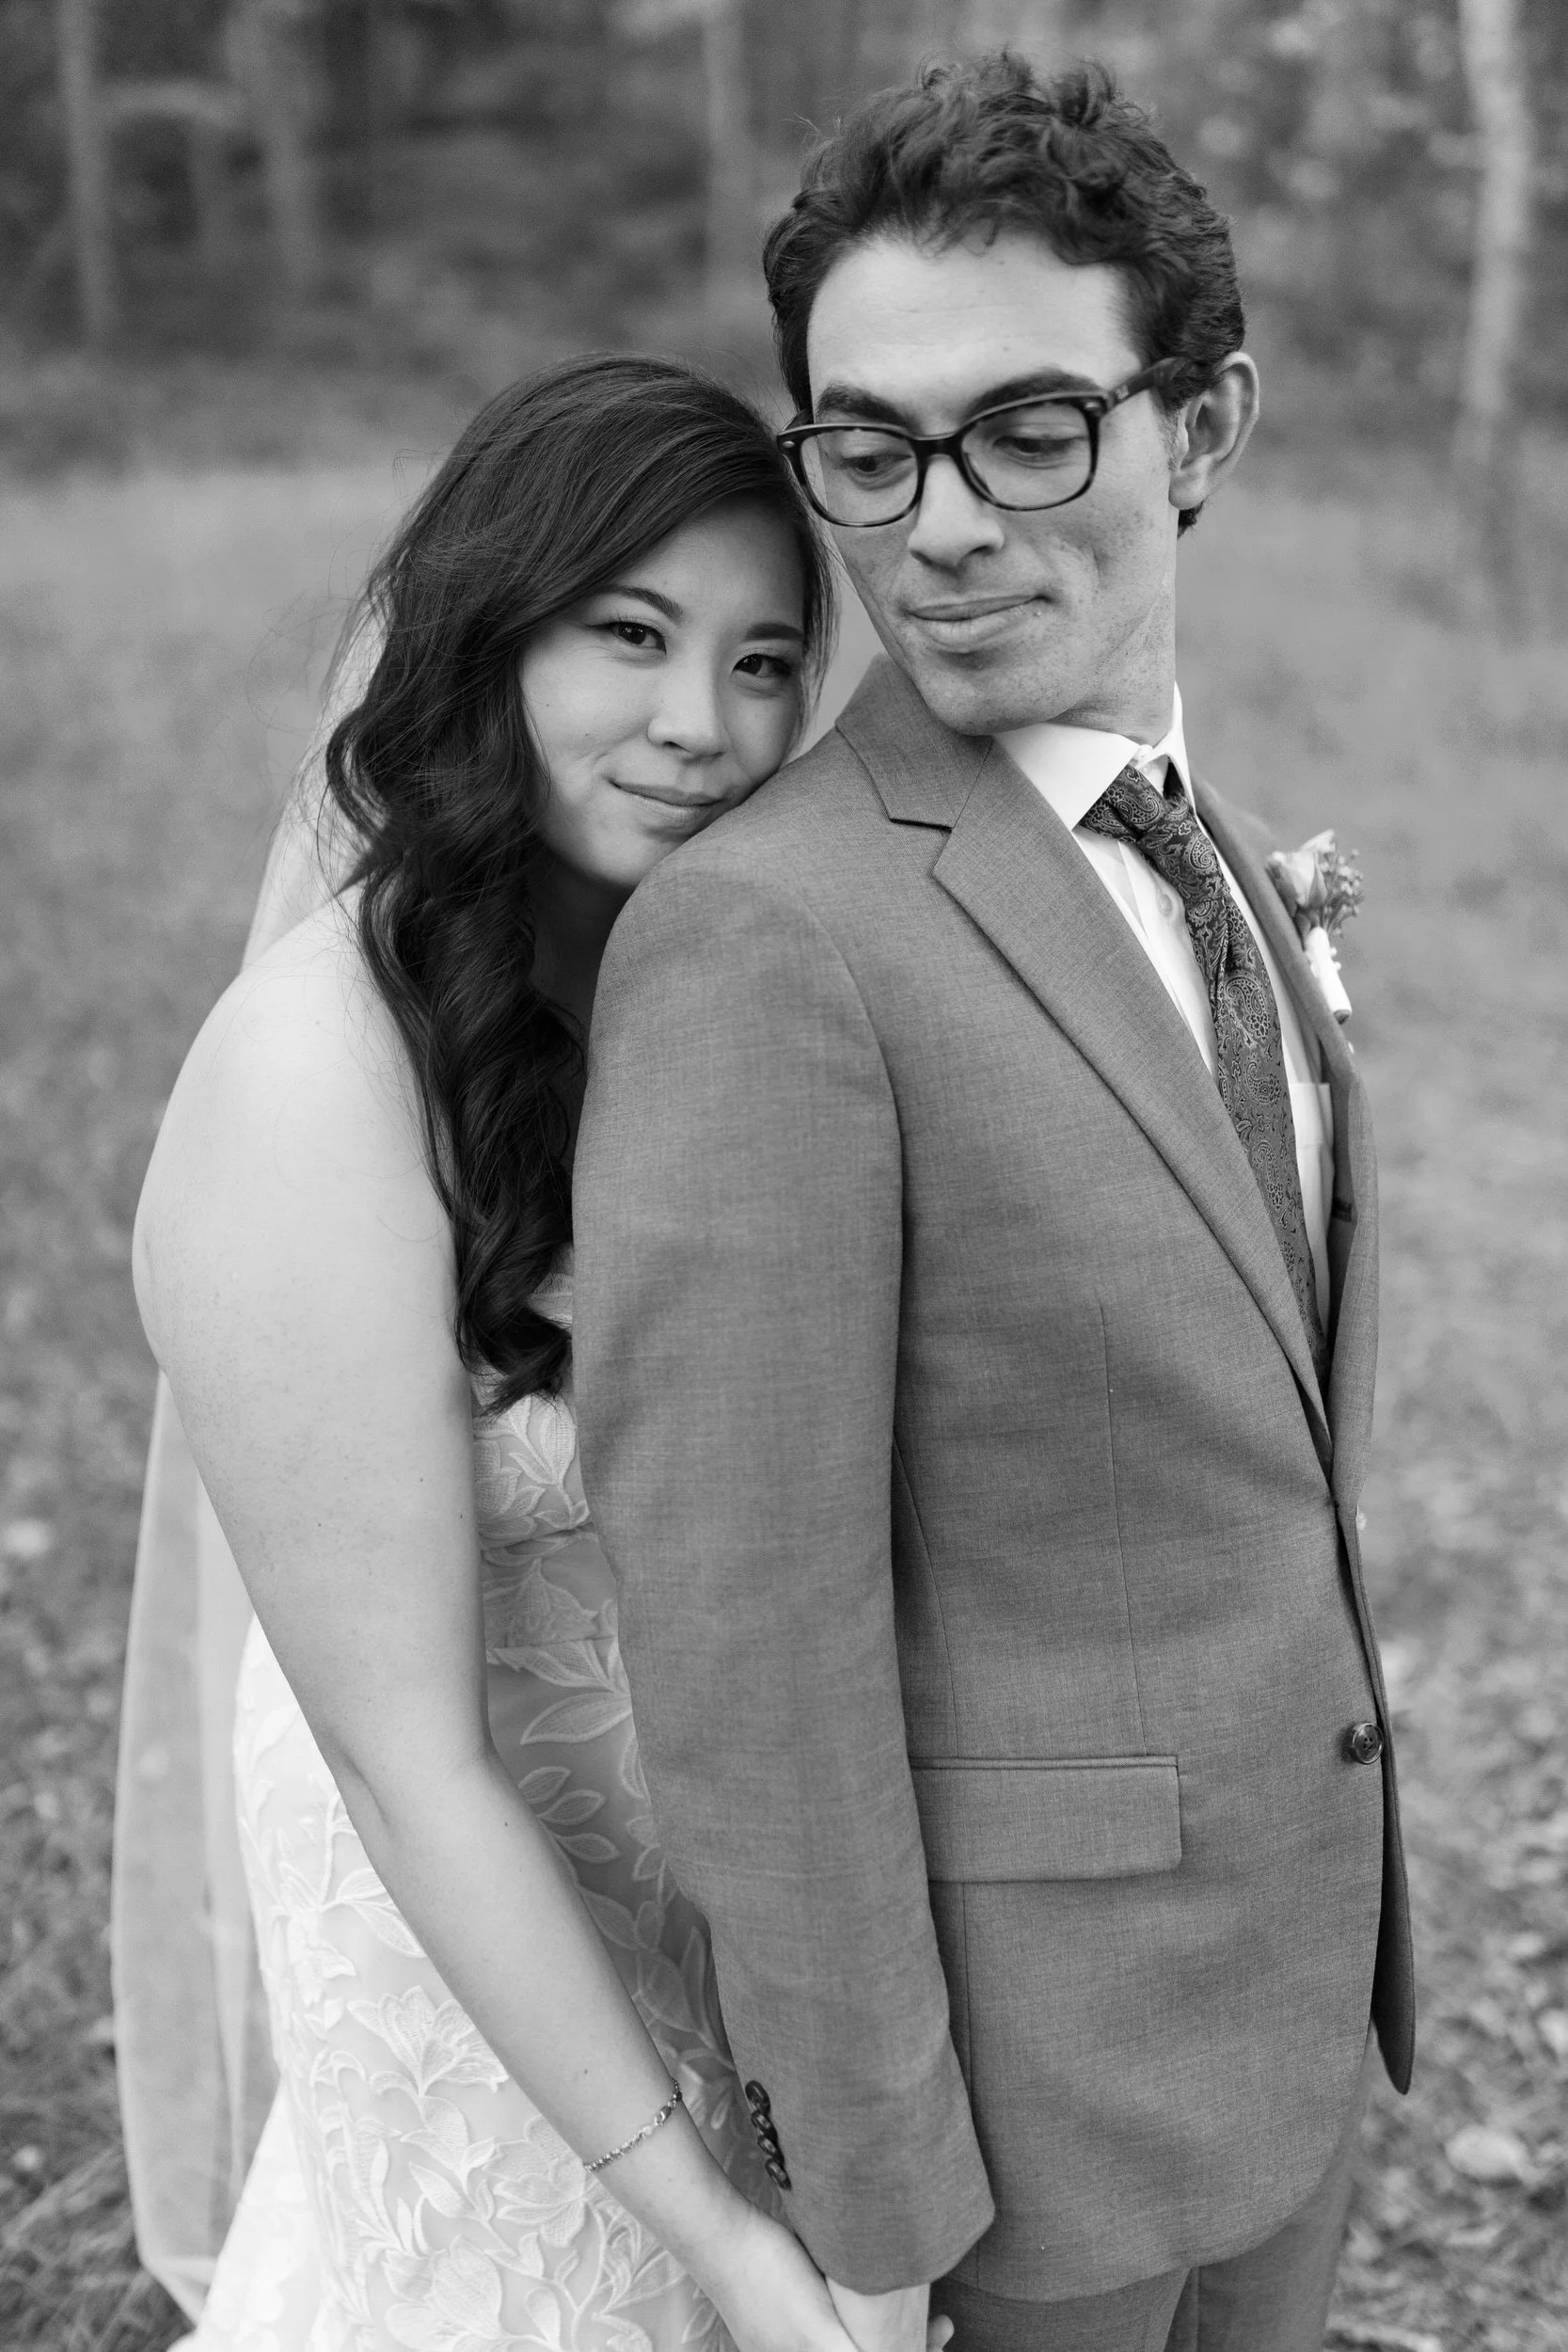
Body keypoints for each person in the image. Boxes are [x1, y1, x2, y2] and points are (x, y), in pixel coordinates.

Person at [574, 57, 1416, 2352]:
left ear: (1199, 428)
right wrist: (868, 2196)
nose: (937, 525)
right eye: (867, 449)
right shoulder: (770, 938)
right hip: (1009, 2138)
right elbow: (746, 1637)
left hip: (1286, 2022)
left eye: (1028, 430)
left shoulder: (1200, 843)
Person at [120, 352, 905, 2352]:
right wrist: (721, 2231)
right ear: (491, 636)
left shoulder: (699, 987)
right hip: (462, 1908)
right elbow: (406, 1756)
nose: (701, 724)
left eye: (761, 662)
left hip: (735, 1897)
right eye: (629, 635)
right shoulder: (310, 1075)